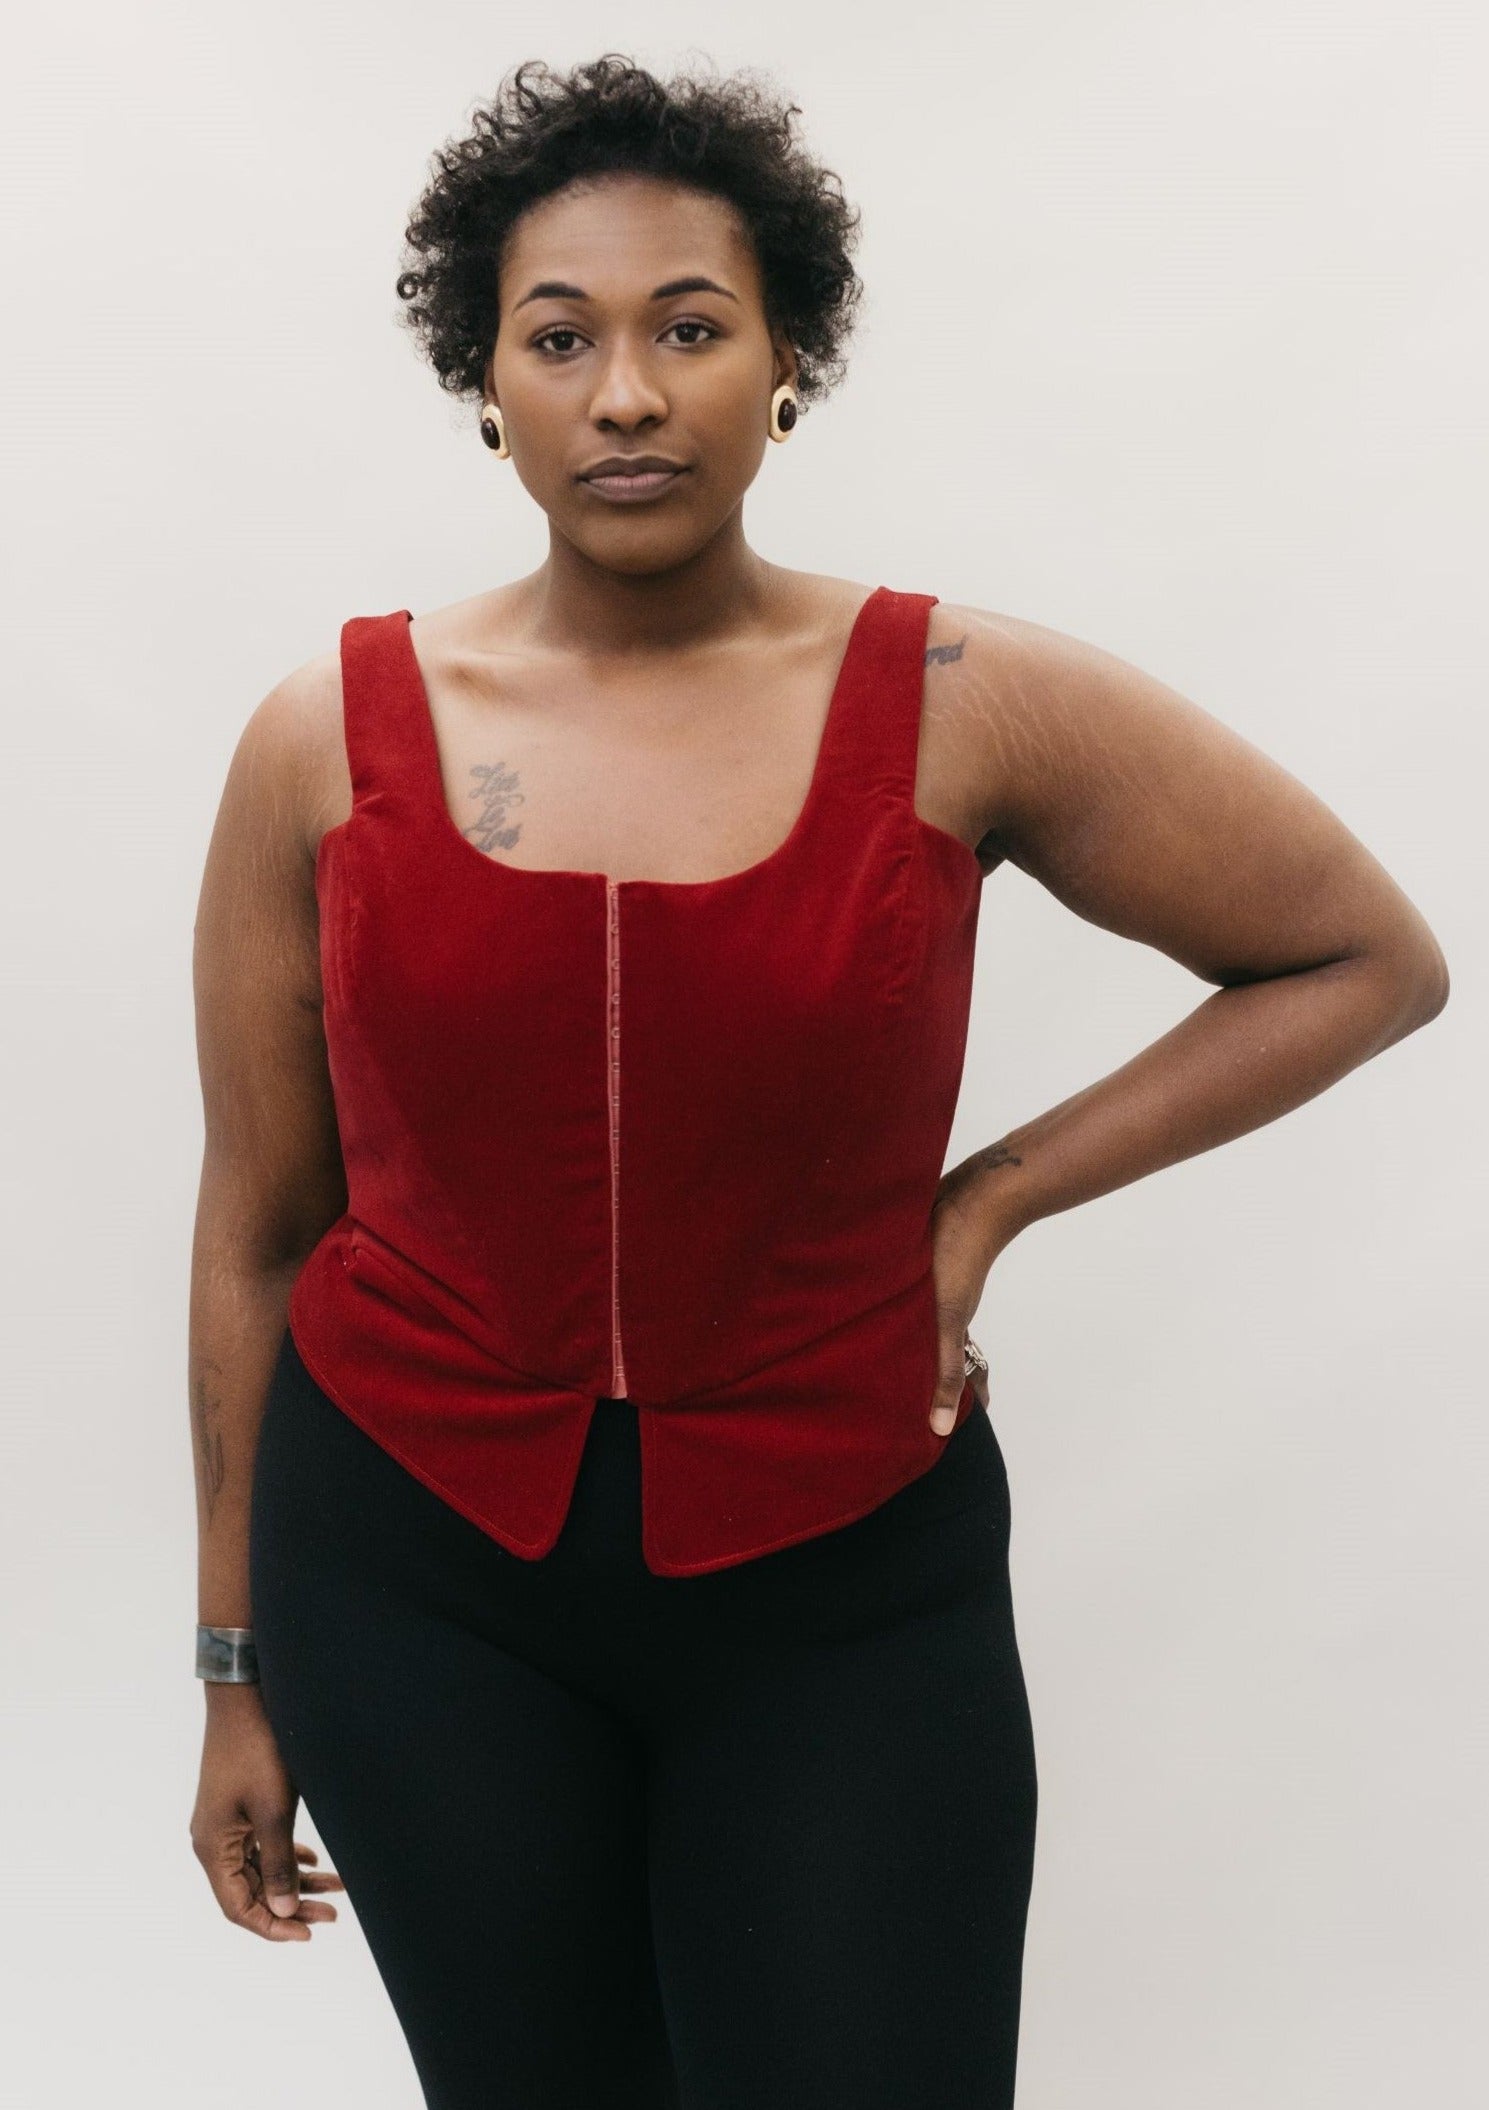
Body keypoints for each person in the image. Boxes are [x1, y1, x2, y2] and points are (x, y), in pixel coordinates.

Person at [185, 52, 1450, 2110]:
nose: (625, 394)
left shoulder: (962, 697)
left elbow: (1358, 956)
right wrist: (237, 1672)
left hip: (843, 1575)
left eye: (690, 327)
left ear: (785, 360)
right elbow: (254, 1232)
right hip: (410, 1571)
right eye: (560, 335)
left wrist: (985, 1197)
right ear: (481, 379)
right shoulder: (319, 740)